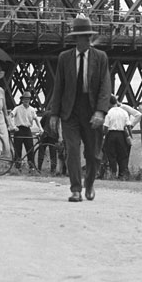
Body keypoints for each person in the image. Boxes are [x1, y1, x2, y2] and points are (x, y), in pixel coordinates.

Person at [48, 14, 112, 202]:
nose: (84, 40)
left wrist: (101, 111)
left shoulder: (101, 58)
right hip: (70, 111)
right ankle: (76, 189)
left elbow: (105, 86)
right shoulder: (64, 58)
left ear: (90, 38)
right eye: (80, 37)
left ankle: (89, 184)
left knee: (93, 153)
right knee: (72, 150)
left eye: (87, 37)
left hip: (92, 110)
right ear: (75, 39)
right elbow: (58, 87)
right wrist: (54, 114)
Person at [101, 95, 142, 180]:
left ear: (109, 103)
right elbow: (127, 125)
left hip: (111, 134)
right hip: (122, 134)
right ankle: (122, 175)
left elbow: (105, 126)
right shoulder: (123, 111)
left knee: (111, 155)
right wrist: (130, 135)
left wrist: (103, 135)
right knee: (123, 155)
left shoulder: (109, 112)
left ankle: (113, 174)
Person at [10, 91, 40, 171]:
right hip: (19, 130)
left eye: (28, 99)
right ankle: (17, 167)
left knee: (30, 149)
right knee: (17, 149)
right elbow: (10, 116)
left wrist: (40, 128)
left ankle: (31, 167)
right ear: (22, 100)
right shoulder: (17, 108)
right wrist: (13, 126)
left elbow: (36, 119)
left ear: (30, 100)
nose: (26, 100)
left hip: (27, 130)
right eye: (25, 99)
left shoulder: (32, 110)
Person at [37, 108, 62, 175]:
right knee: (53, 154)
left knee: (41, 152)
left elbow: (41, 123)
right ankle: (53, 170)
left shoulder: (46, 113)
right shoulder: (58, 115)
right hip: (53, 136)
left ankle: (39, 169)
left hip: (45, 134)